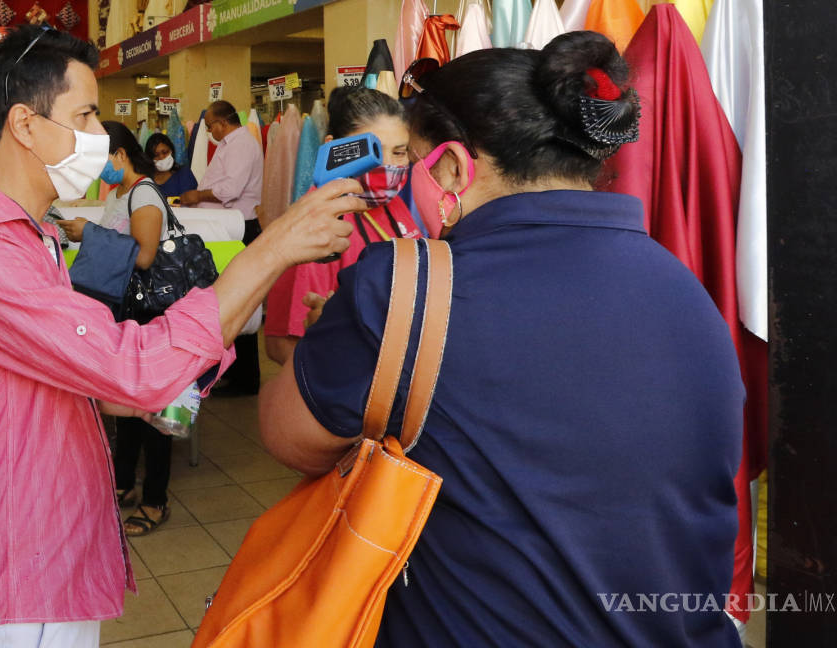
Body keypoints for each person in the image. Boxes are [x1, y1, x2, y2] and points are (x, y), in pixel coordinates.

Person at [260, 32, 744, 647]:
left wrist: (340, 339)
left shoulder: (406, 287)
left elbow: (289, 437)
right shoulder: (686, 289)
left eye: (414, 160)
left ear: (454, 168)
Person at [0, 24, 361, 647]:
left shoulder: (28, 236)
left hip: (53, 557)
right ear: (25, 124)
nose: (99, 135)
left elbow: (102, 379)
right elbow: (131, 369)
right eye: (85, 115)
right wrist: (273, 247)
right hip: (20, 577)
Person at [54, 121, 177, 537]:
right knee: (125, 402)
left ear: (121, 155)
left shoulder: (144, 193)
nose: (98, 170)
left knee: (155, 408)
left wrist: (89, 233)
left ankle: (156, 499)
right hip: (127, 312)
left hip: (151, 314)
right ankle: (124, 481)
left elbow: (144, 257)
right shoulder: (119, 193)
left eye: (101, 160)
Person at [264, 86, 423, 365]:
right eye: (373, 151)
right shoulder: (318, 221)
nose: (387, 166)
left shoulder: (393, 205)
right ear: (334, 150)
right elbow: (283, 345)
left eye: (399, 152)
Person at [180, 100, 264, 396]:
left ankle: (246, 379)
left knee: (242, 303)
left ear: (222, 122)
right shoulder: (231, 144)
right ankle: (235, 373)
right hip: (228, 227)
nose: (209, 132)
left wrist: (196, 196)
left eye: (209, 126)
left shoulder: (241, 144)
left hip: (239, 227)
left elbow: (231, 190)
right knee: (230, 301)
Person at [145, 131, 198, 197]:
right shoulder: (147, 181)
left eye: (165, 152)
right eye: (156, 155)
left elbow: (190, 200)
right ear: (150, 158)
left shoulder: (184, 174)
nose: (161, 157)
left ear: (171, 151)